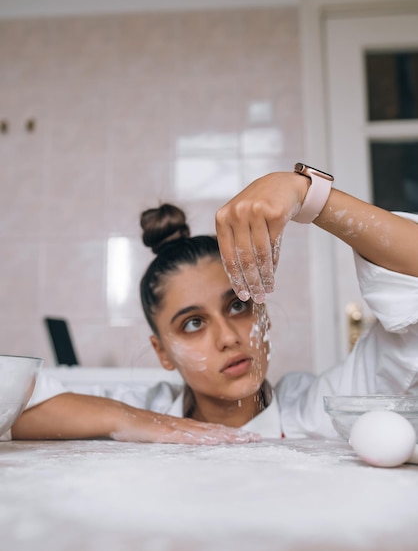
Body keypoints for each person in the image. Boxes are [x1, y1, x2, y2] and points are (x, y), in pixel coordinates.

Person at [10, 165, 418, 442]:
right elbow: (9, 404)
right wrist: (129, 420)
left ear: (263, 314)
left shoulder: (323, 411)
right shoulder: (142, 411)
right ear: (163, 353)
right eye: (192, 323)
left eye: (238, 305)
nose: (227, 338)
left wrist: (310, 196)